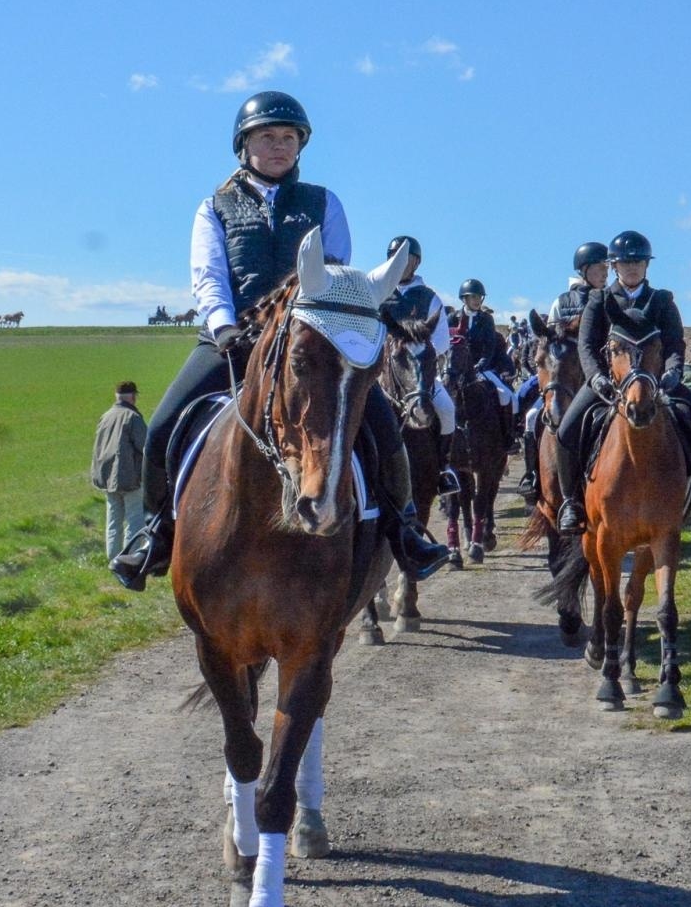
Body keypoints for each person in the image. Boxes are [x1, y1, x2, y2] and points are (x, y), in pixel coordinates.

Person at [109, 90, 445, 590]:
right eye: (267, 136)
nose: (279, 146)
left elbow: (334, 273)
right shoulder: (215, 207)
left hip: (309, 343)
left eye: (288, 138)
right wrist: (224, 327)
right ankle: (157, 536)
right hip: (231, 339)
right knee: (161, 428)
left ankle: (404, 529)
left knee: (381, 424)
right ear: (244, 145)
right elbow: (208, 276)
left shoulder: (323, 202)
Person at [553, 231, 691, 535]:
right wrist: (596, 378)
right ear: (614, 266)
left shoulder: (661, 300)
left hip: (655, 382)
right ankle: (571, 504)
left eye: (639, 262)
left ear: (647, 266)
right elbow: (587, 346)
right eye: (625, 263)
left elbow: (675, 343)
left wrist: (672, 372)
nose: (632, 268)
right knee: (566, 430)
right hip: (607, 383)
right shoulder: (599, 299)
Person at [518, 241, 608, 497]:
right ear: (584, 269)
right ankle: (532, 476)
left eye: (607, 268)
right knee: (532, 416)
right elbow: (550, 340)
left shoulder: (610, 298)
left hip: (600, 374)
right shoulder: (563, 301)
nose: (605, 273)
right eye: (600, 268)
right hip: (565, 375)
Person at [379, 235, 461, 498]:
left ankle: (442, 469)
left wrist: (418, 352)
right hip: (382, 371)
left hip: (418, 372)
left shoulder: (429, 297)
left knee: (447, 410)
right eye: (397, 259)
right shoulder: (379, 292)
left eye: (408, 260)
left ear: (416, 263)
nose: (402, 264)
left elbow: (441, 340)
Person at [451, 279, 516, 443]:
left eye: (479, 297)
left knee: (507, 396)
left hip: (481, 368)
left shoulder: (486, 319)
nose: (477, 300)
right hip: (454, 368)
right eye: (473, 297)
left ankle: (508, 436)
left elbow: (489, 347)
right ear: (464, 299)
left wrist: (479, 366)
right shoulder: (452, 318)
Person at [91, 380, 148, 561]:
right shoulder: (133, 417)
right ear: (132, 396)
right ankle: (128, 559)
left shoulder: (105, 416)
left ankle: (112, 558)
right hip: (130, 478)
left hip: (107, 478)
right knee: (134, 519)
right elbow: (145, 447)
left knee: (113, 520)